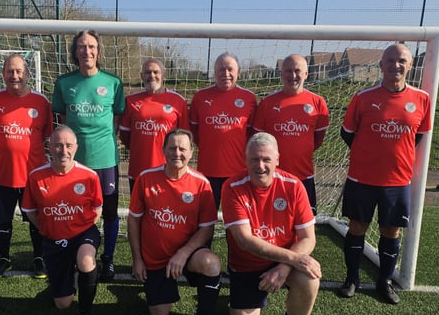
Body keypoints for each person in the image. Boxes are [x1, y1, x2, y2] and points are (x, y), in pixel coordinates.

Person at [337, 43, 431, 304]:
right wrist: (370, 154)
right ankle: (352, 279)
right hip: (362, 178)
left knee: (391, 231)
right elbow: (347, 133)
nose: (395, 65)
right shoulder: (363, 97)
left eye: (401, 61)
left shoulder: (422, 99)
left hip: (397, 180)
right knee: (357, 227)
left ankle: (385, 281)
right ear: (381, 65)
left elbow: (419, 136)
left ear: (410, 65)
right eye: (390, 60)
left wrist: (393, 155)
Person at [221, 132, 322, 315]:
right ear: (245, 159)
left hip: (284, 262)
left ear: (277, 159)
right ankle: (253, 296)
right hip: (247, 264)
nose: (260, 166)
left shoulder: (294, 185)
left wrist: (284, 267)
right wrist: (292, 259)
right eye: (254, 159)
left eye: (266, 159)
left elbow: (308, 238)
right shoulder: (232, 187)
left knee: (310, 278)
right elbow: (245, 241)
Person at [127, 129, 222, 315]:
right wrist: (137, 259)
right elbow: (133, 220)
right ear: (163, 150)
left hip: (187, 256)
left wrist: (183, 252)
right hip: (155, 259)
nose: (177, 153)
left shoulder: (201, 184)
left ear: (191, 152)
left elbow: (207, 227)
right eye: (172, 148)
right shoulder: (146, 178)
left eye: (182, 149)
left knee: (211, 264)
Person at [52, 29, 125, 283]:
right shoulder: (64, 83)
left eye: (91, 46)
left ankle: (108, 258)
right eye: (82, 46)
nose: (87, 51)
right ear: (75, 52)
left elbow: (116, 121)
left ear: (98, 51)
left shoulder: (113, 82)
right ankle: (75, 254)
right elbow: (63, 123)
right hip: (74, 163)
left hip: (105, 160)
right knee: (75, 211)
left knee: (109, 212)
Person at [21, 125, 103, 315]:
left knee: (86, 259)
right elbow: (29, 210)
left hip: (83, 234)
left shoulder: (89, 176)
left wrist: (78, 229)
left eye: (68, 145)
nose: (63, 151)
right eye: (58, 145)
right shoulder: (36, 176)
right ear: (49, 147)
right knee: (62, 304)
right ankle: (75, 276)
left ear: (76, 147)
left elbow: (97, 210)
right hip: (53, 239)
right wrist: (48, 229)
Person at [0, 53, 53, 280]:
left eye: (19, 71)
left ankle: (39, 258)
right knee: (2, 221)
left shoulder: (42, 102)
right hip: (1, 174)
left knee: (36, 219)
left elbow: (47, 137)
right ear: (3, 74)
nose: (15, 76)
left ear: (27, 74)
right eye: (10, 71)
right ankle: (3, 259)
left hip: (32, 175)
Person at [253, 54, 330, 215]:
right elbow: (258, 142)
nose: (293, 75)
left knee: (305, 222)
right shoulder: (267, 103)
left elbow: (317, 140)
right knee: (269, 221)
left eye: (297, 71)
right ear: (281, 74)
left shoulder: (318, 103)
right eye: (288, 71)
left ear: (306, 74)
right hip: (272, 176)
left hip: (304, 176)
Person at [189, 52, 257, 209]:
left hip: (238, 172)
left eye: (230, 69)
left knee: (237, 218)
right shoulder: (200, 97)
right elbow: (194, 132)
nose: (226, 74)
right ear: (214, 72)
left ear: (238, 71)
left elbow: (252, 135)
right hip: (207, 171)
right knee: (205, 218)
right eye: (221, 69)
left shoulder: (249, 98)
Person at [119, 58, 189, 190]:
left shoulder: (178, 101)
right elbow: (125, 136)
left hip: (168, 171)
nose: (151, 75)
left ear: (164, 75)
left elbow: (185, 138)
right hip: (138, 170)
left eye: (156, 72)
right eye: (147, 72)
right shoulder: (131, 101)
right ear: (142, 76)